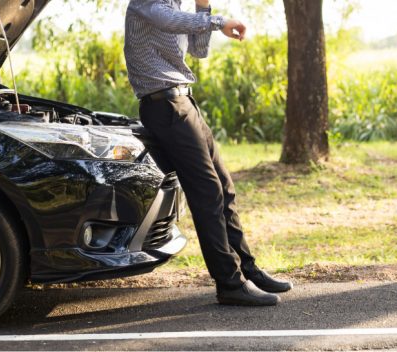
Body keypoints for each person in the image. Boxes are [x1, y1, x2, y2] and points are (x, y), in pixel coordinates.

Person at [124, 0, 293, 306]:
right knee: (206, 192)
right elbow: (170, 20)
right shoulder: (148, 4)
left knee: (223, 187)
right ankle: (228, 283)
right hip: (164, 106)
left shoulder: (176, 7)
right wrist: (217, 20)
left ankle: (247, 269)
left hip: (184, 103)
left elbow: (198, 50)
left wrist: (204, 7)